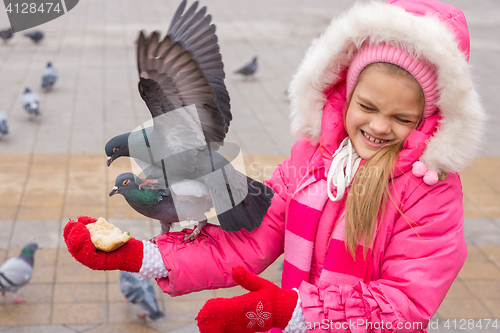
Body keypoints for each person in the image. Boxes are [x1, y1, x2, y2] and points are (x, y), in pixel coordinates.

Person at [63, 0, 485, 332]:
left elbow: (404, 308)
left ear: (428, 119)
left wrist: (295, 312)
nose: (378, 125)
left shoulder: (431, 195)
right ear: (345, 94)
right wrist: (147, 257)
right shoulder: (310, 163)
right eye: (367, 106)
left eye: (401, 118)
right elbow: (247, 239)